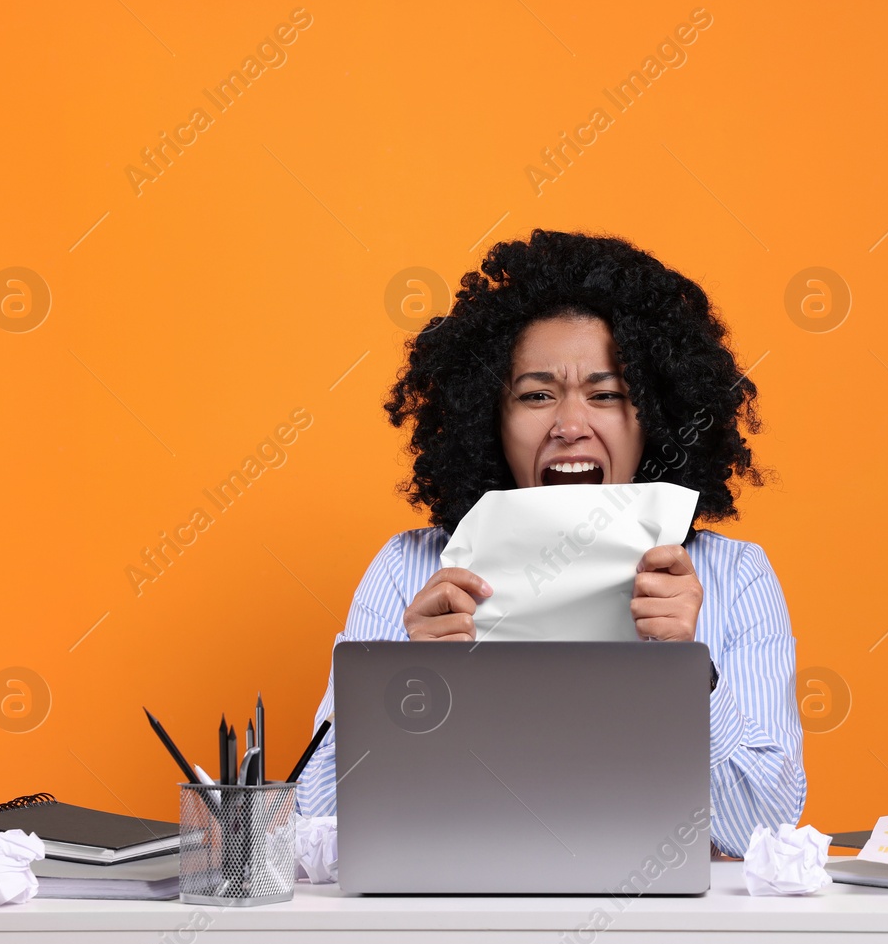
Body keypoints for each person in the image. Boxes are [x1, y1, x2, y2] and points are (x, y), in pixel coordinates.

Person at [294, 229, 805, 857]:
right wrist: (408, 682)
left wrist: (690, 672)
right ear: (489, 416)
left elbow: (766, 828)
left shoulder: (737, 575)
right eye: (536, 395)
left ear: (655, 417)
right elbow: (312, 824)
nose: (568, 425)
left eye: (607, 394)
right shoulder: (409, 569)